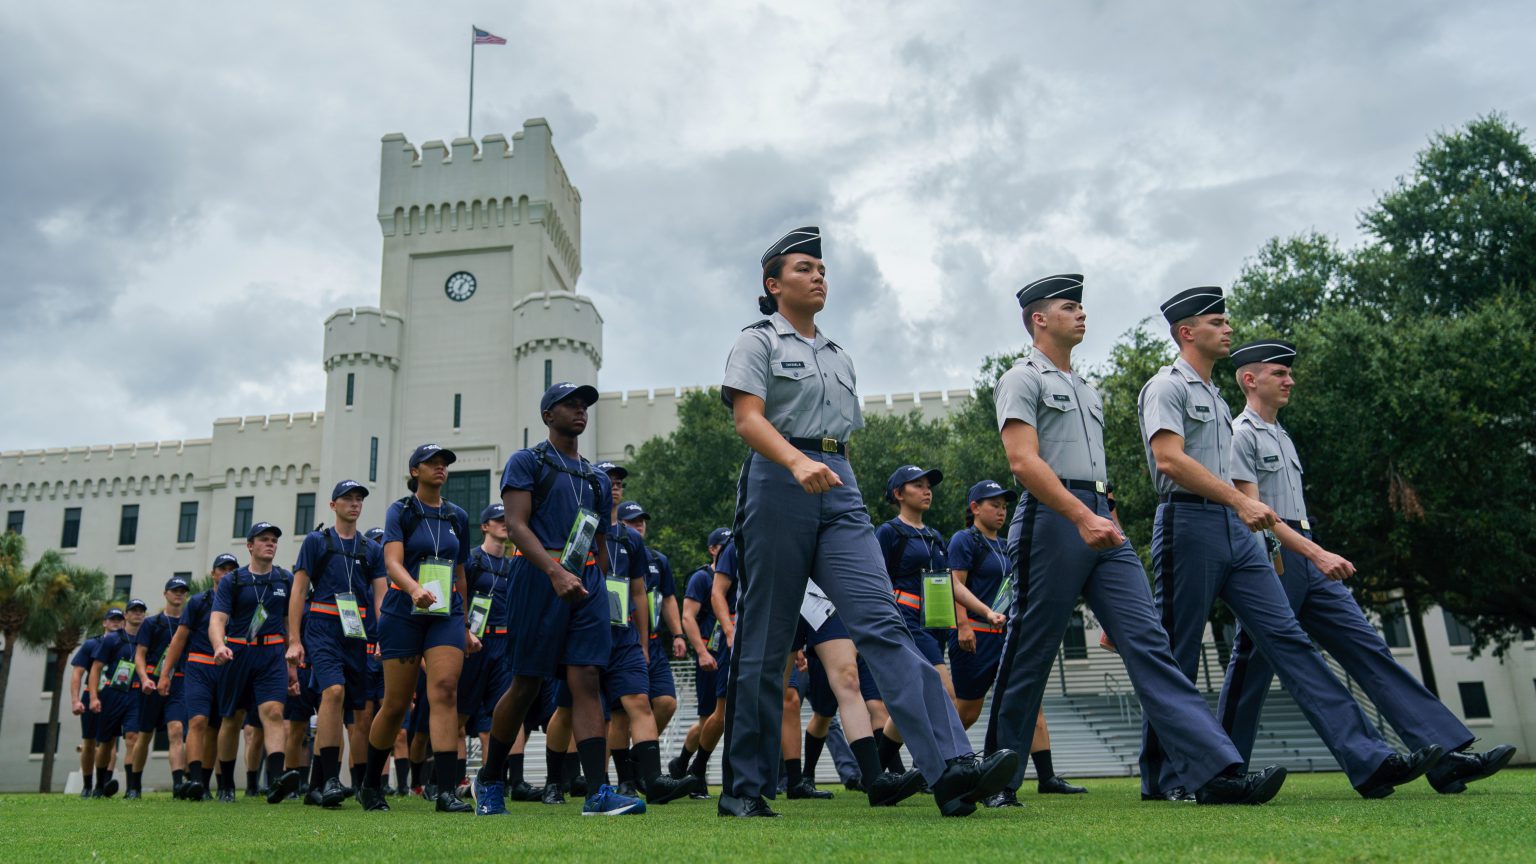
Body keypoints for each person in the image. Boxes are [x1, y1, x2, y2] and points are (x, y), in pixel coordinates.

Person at [719, 226, 1015, 818]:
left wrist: (839, 480)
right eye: (804, 269)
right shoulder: (757, 342)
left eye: (822, 269)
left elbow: (842, 438)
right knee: (767, 638)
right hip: (779, 479)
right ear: (774, 284)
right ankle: (744, 789)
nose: (818, 276)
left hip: (838, 483)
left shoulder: (838, 355)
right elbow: (749, 420)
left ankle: (952, 768)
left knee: (883, 623)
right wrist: (798, 462)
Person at [984, 273, 1290, 807]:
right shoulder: (1020, 378)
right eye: (1068, 307)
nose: (1081, 314)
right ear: (1039, 319)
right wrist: (1082, 515)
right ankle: (996, 778)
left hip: (1100, 518)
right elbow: (1023, 461)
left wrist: (1107, 518)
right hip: (1053, 520)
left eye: (1081, 307)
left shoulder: (1085, 387)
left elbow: (1095, 471)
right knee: (1031, 647)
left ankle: (1215, 771)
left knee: (1151, 645)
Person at [1137, 286, 1440, 799]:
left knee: (1292, 642)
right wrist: (1239, 502)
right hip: (1188, 525)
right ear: (1187, 332)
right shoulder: (1165, 388)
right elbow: (1169, 460)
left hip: (1238, 531)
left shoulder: (1213, 394)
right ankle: (1166, 777)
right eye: (1217, 321)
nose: (1228, 328)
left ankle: (1369, 761)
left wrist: (1241, 511)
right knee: (1178, 654)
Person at [1216, 339, 1517, 793]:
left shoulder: (1281, 435)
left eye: (1289, 373)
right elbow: (1254, 514)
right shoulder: (1240, 434)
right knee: (1251, 666)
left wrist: (1314, 551)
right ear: (1250, 379)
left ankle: (1445, 754)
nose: (1290, 380)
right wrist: (1312, 554)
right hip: (1273, 558)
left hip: (1307, 550)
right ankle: (1219, 771)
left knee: (1367, 648)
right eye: (1280, 373)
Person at [470, 382, 642, 817]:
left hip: (584, 585)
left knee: (585, 680)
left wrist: (594, 583)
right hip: (538, 578)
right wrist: (555, 572)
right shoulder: (527, 461)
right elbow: (516, 525)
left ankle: (597, 793)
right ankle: (489, 779)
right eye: (570, 404)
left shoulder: (596, 477)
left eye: (584, 405)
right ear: (548, 415)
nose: (580, 410)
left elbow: (599, 542)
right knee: (527, 683)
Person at [359, 445, 478, 813]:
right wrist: (414, 589)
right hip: (403, 611)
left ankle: (444, 792)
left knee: (444, 691)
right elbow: (391, 562)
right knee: (395, 705)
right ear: (415, 471)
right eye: (433, 462)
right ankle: (370, 786)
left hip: (445, 615)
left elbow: (460, 574)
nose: (441, 467)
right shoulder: (402, 511)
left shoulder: (457, 516)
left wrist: (466, 625)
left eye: (445, 463)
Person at [947, 480, 1084, 797]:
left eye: (1004, 506)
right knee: (969, 710)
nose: (1001, 511)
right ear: (975, 508)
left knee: (1030, 704)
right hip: (975, 636)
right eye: (993, 504)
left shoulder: (1008, 543)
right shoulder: (964, 541)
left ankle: (1047, 777)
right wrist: (963, 625)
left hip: (1006, 636)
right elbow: (956, 585)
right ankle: (936, 763)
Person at [873, 465, 1005, 779]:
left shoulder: (934, 537)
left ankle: (876, 775)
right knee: (944, 691)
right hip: (904, 621)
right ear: (898, 494)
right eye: (917, 485)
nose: (926, 490)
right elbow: (874, 580)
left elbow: (950, 584)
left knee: (911, 702)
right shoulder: (888, 532)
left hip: (934, 622)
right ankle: (955, 764)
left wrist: (986, 612)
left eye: (928, 485)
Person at [289, 480, 386, 808]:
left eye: (359, 499)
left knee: (355, 709)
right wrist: (294, 640)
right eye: (347, 498)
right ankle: (331, 778)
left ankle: (316, 786)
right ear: (333, 505)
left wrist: (383, 636)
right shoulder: (317, 541)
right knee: (333, 692)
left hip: (355, 631)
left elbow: (380, 596)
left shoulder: (371, 549)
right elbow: (299, 591)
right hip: (322, 626)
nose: (354, 504)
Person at [211, 522, 301, 804]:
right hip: (237, 652)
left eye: (274, 540)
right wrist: (219, 646)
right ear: (250, 545)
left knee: (274, 712)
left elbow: (289, 624)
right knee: (232, 719)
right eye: (264, 539)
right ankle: (225, 783)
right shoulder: (233, 581)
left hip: (272, 654)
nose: (270, 544)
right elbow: (217, 620)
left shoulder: (285, 580)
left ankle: (275, 781)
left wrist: (292, 665)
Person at [160, 553, 240, 801]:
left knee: (218, 728)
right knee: (197, 722)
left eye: (232, 569)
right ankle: (194, 779)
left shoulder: (243, 601)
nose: (227, 573)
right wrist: (165, 674)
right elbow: (179, 640)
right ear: (213, 574)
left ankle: (207, 784)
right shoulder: (198, 602)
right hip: (198, 668)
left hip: (227, 670)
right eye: (222, 569)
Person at [667, 526, 730, 794]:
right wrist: (701, 653)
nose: (728, 551)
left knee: (719, 717)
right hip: (709, 654)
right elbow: (687, 617)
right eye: (723, 546)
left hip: (729, 651)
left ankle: (683, 765)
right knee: (709, 719)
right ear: (713, 549)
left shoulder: (735, 577)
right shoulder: (702, 579)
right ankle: (691, 771)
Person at [133, 578, 191, 798]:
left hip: (178, 682)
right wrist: (145, 678)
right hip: (152, 683)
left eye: (182, 591)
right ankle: (134, 784)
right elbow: (139, 654)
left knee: (176, 730)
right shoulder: (152, 623)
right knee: (144, 736)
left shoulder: (188, 623)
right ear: (165, 593)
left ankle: (177, 785)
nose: (179, 594)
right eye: (175, 591)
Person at [86, 603, 144, 798]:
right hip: (113, 693)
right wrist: (94, 697)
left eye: (141, 611)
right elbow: (95, 668)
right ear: (126, 615)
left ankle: (132, 787)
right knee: (106, 742)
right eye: (134, 610)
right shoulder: (112, 640)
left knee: (133, 738)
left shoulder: (146, 639)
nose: (137, 614)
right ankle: (100, 784)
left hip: (136, 694)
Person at [70, 609, 122, 799]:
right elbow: (77, 673)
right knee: (90, 741)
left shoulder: (126, 644)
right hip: (91, 695)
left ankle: (105, 783)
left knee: (111, 741)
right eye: (113, 620)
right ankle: (87, 784)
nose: (117, 623)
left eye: (120, 620)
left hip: (115, 697)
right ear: (104, 623)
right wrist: (75, 700)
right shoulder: (92, 644)